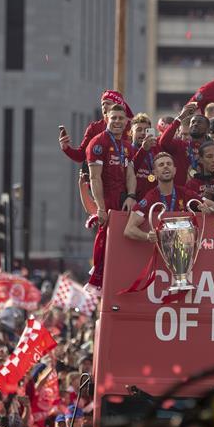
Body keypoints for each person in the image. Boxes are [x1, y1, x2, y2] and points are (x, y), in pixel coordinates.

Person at [86, 104, 137, 293]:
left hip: (123, 200)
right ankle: (101, 284)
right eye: (113, 117)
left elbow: (130, 174)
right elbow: (94, 177)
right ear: (106, 118)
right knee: (105, 244)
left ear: (126, 122)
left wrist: (131, 196)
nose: (117, 121)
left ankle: (121, 282)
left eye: (120, 118)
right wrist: (100, 207)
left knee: (123, 243)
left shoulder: (127, 147)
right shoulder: (98, 143)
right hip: (106, 201)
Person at [123, 153, 214, 242]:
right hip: (163, 252)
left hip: (185, 247)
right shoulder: (150, 198)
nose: (166, 166)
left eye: (169, 164)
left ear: (174, 170)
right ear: (155, 173)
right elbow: (129, 229)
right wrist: (147, 236)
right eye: (161, 165)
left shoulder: (185, 193)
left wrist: (210, 210)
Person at [158, 103, 211, 185]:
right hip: (181, 194)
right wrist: (180, 118)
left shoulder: (212, 149)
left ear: (208, 129)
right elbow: (164, 142)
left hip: (204, 193)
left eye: (199, 122)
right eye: (192, 122)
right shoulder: (180, 145)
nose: (195, 124)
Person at [185, 141, 214, 207]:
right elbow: (189, 207)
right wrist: (202, 199)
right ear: (201, 159)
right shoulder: (192, 183)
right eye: (209, 156)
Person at [130, 114, 159, 199]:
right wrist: (143, 149)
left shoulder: (155, 152)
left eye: (146, 130)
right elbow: (130, 169)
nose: (143, 133)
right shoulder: (126, 151)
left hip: (153, 200)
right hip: (134, 201)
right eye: (139, 130)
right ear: (131, 133)